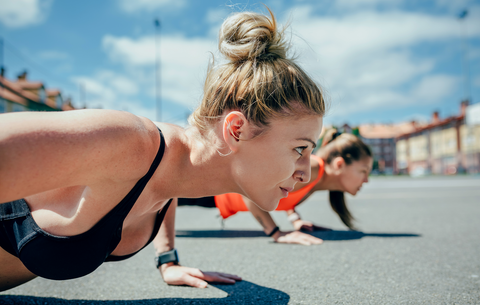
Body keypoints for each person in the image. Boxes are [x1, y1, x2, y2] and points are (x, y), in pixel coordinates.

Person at [0, 8, 326, 292]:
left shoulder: (176, 170)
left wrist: (168, 260)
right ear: (236, 130)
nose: (306, 171)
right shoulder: (129, 143)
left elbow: (167, 188)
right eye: (300, 148)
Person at [178, 129, 373, 245]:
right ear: (339, 165)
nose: (366, 180)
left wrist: (295, 219)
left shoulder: (316, 177)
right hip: (213, 188)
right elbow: (250, 189)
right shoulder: (312, 168)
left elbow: (284, 188)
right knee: (155, 203)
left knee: (156, 207)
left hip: (217, 196)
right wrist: (276, 233)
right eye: (363, 171)